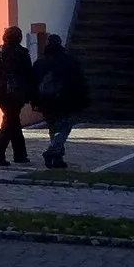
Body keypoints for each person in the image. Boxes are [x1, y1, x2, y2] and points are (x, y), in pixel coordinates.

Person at [32, 33, 90, 168]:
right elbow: (79, 83)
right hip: (65, 101)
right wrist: (82, 100)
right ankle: (52, 152)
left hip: (45, 101)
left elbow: (33, 83)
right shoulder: (69, 62)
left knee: (53, 128)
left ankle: (57, 157)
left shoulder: (40, 63)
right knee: (63, 128)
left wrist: (34, 101)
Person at [0, 25, 34, 166]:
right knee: (9, 123)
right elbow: (28, 75)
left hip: (1, 93)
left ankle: (20, 154)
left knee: (13, 121)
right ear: (19, 38)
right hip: (16, 93)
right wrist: (30, 94)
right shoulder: (22, 53)